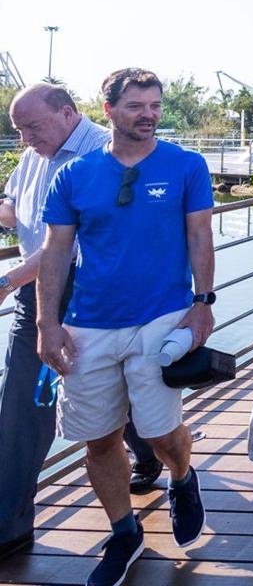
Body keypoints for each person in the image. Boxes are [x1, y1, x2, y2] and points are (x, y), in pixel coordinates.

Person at [37, 68, 215, 586]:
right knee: (97, 439)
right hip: (89, 322)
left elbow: (201, 237)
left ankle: (183, 476)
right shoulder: (74, 175)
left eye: (156, 105)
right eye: (137, 105)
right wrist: (49, 323)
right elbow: (55, 251)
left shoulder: (186, 165)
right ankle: (124, 532)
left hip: (162, 313)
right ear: (109, 109)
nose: (149, 115)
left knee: (160, 433)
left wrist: (202, 304)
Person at [0, 84, 109, 561]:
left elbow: (68, 242)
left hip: (93, 290)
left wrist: (6, 280)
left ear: (67, 114)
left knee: (107, 384)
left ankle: (149, 451)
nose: (24, 139)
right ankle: (9, 522)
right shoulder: (35, 152)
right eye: (19, 129)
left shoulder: (105, 150)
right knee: (22, 401)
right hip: (35, 291)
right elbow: (15, 212)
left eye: (32, 127)